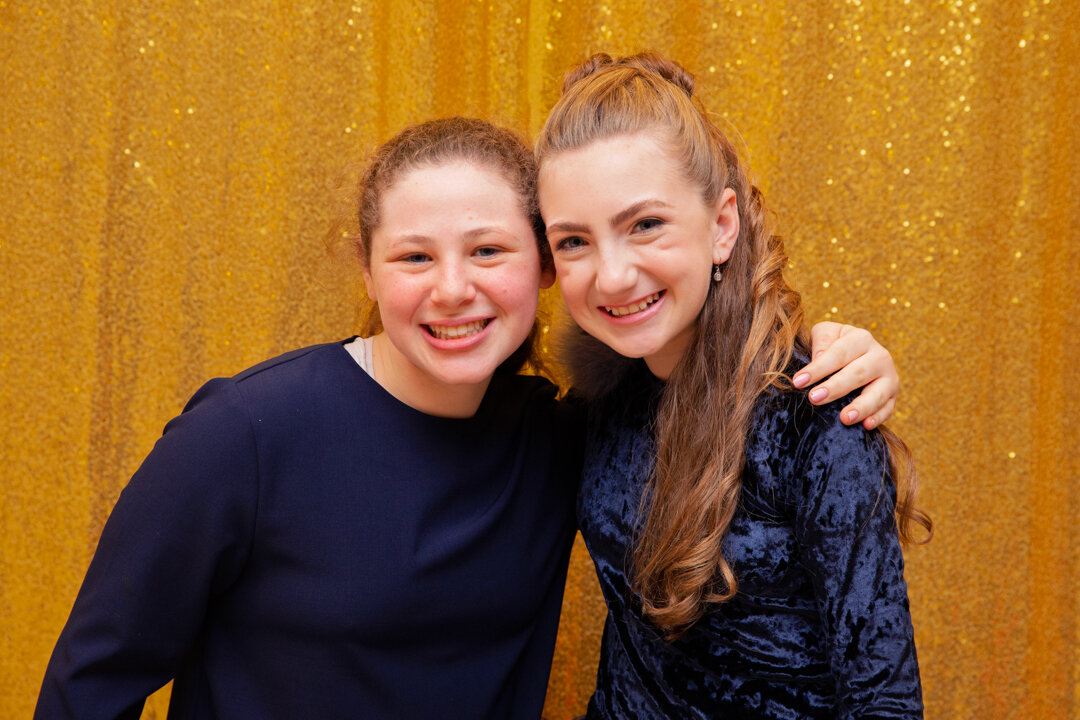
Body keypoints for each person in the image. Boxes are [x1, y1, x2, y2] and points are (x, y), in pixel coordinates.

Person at [36, 117, 901, 720]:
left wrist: (841, 351)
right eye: (414, 257)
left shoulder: (567, 437)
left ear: (545, 268)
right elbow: (92, 684)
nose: (453, 289)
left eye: (489, 250)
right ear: (367, 272)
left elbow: (707, 389)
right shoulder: (243, 436)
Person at [535, 53, 932, 719]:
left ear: (722, 226)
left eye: (645, 225)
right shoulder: (597, 402)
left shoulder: (814, 420)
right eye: (574, 241)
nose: (612, 276)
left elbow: (884, 703)